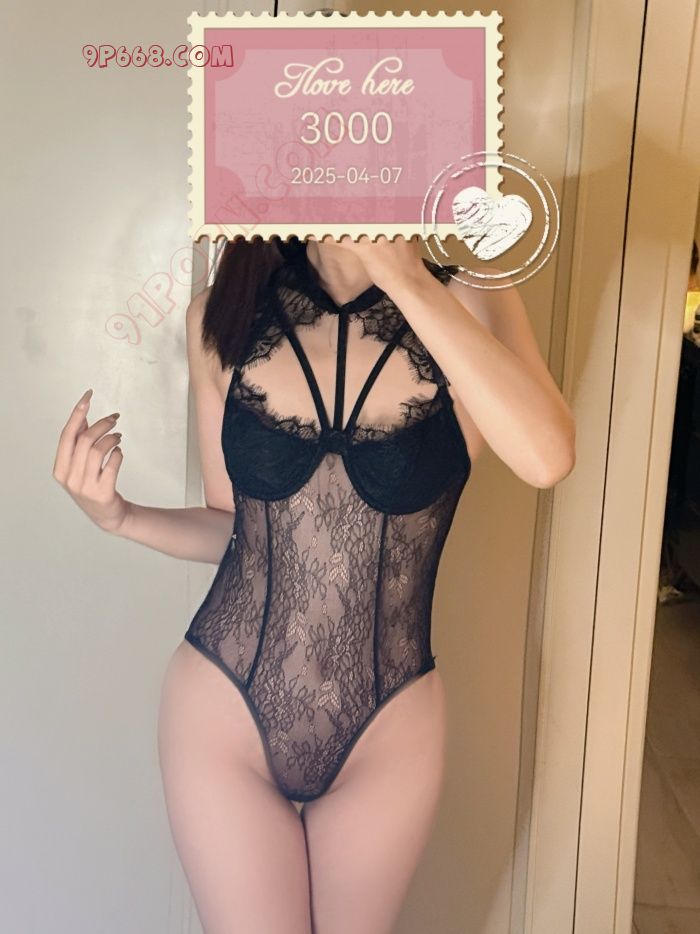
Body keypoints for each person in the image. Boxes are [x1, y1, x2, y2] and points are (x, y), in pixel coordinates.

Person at [52, 234, 576, 934]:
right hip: (225, 704)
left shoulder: (470, 298)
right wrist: (120, 518)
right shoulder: (224, 313)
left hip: (388, 720)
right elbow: (236, 528)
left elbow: (547, 457)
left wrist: (405, 276)